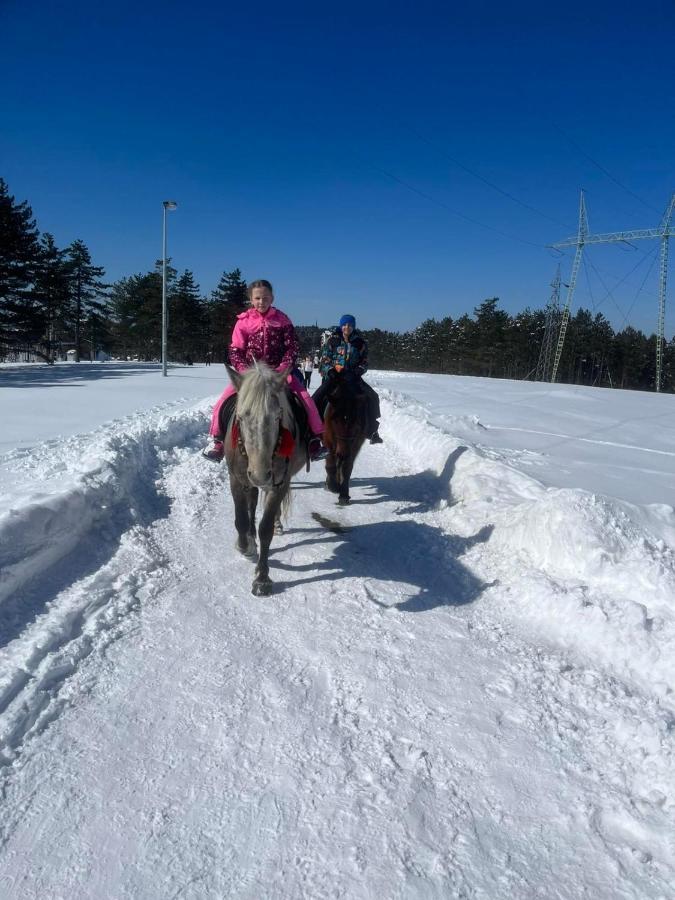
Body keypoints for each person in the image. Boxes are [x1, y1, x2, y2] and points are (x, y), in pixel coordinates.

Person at [203, 280, 327, 462]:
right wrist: (245, 372)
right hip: (251, 375)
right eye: (258, 298)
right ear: (251, 300)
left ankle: (314, 440)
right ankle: (219, 441)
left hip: (279, 374)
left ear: (272, 298)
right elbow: (235, 350)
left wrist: (283, 369)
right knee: (223, 401)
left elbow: (292, 348)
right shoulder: (243, 322)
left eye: (266, 297)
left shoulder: (282, 320)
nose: (262, 301)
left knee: (305, 400)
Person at [313, 314, 383, 443]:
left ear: (353, 326)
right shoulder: (332, 340)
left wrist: (358, 371)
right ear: (341, 325)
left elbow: (365, 361)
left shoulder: (360, 343)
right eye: (344, 324)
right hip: (334, 377)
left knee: (372, 396)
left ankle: (372, 430)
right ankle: (313, 431)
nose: (347, 327)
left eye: (350, 325)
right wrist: (330, 371)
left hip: (352, 377)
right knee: (316, 398)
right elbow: (323, 360)